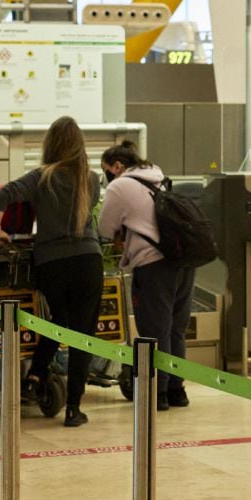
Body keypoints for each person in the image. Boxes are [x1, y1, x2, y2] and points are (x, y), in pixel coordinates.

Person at [0, 116, 102, 427]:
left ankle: (35, 376)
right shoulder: (91, 180)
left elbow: (2, 195)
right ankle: (74, 408)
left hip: (51, 262)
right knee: (83, 336)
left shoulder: (41, 177)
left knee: (58, 323)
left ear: (50, 144)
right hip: (88, 260)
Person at [97, 141, 192, 411]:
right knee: (176, 329)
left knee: (154, 330)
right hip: (183, 262)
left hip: (153, 265)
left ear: (117, 166)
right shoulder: (158, 176)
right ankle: (177, 390)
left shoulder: (120, 185)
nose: (106, 176)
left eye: (106, 170)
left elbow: (105, 228)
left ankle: (157, 393)